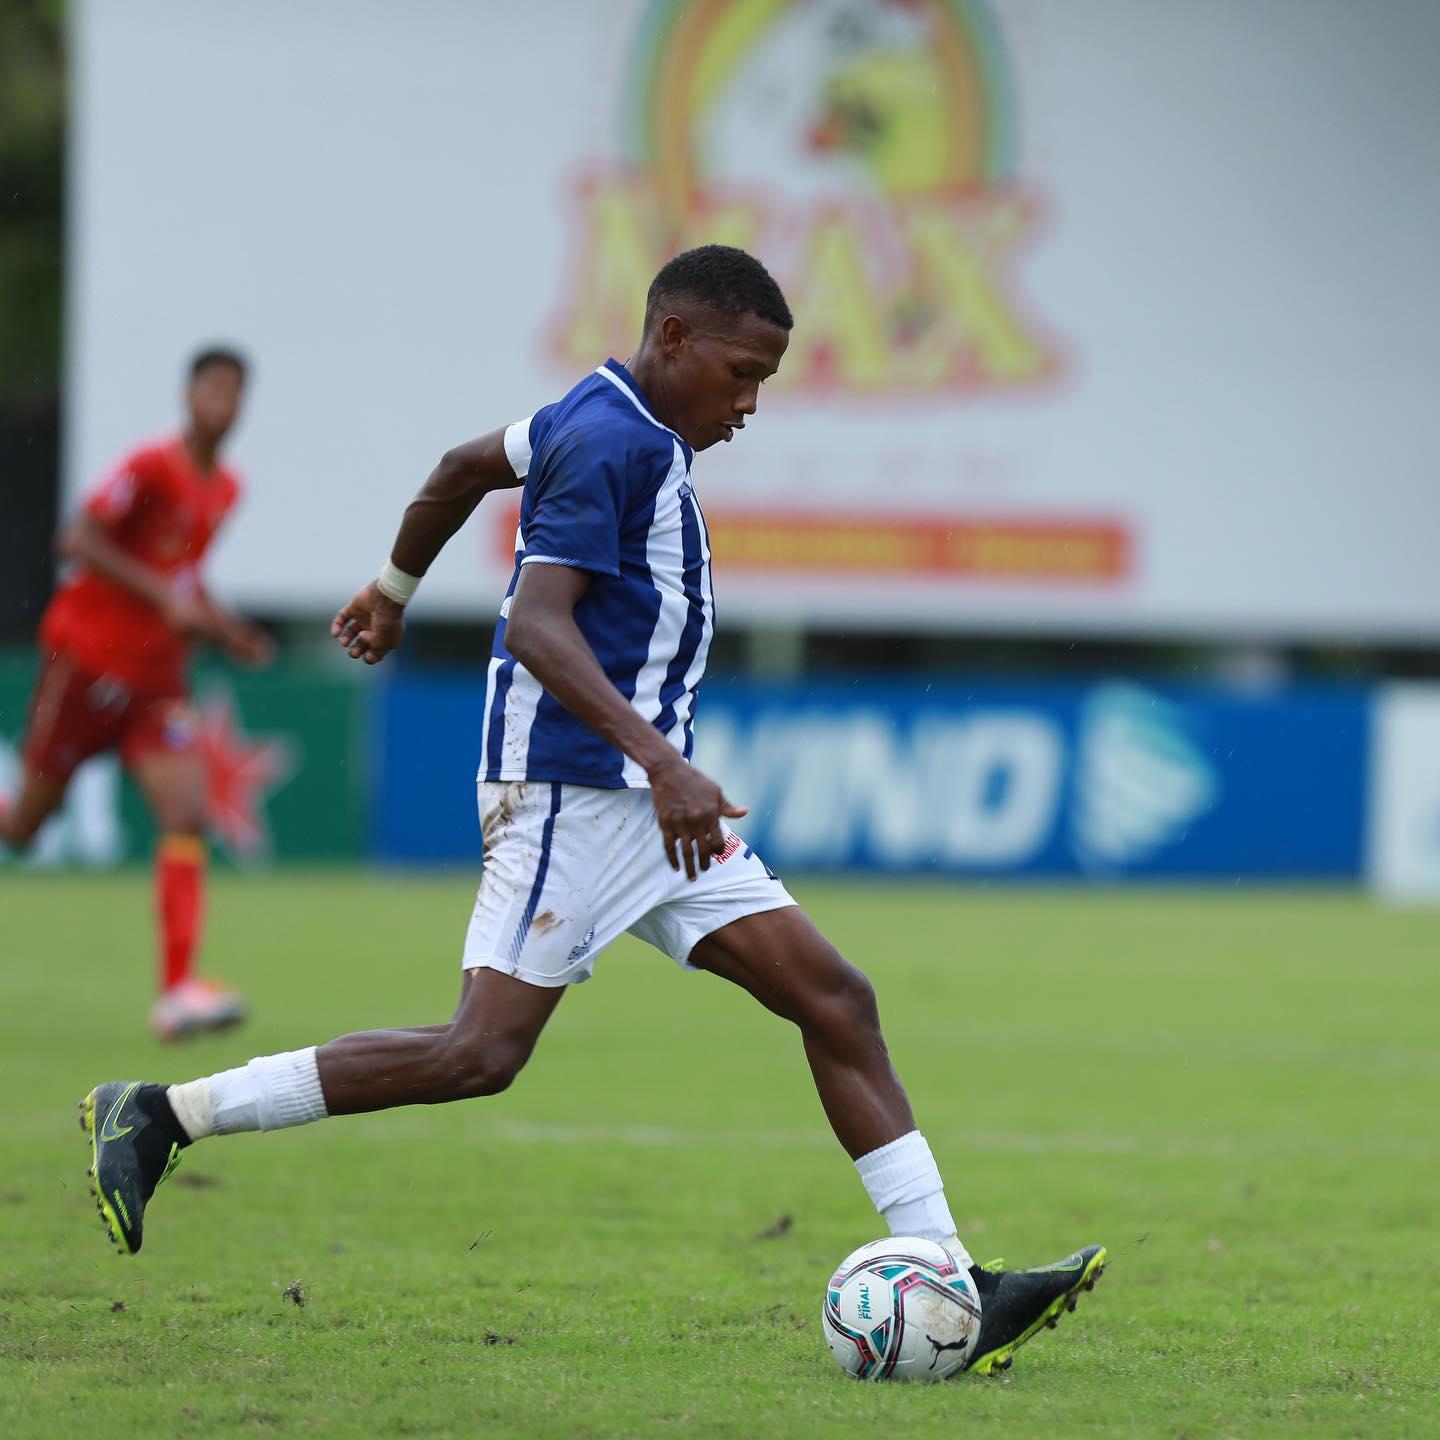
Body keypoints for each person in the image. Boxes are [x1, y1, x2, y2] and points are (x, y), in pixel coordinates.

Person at [80, 249, 1104, 1375]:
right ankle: (165, 1112)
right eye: (742, 374)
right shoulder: (614, 440)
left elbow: (461, 466)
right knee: (479, 1053)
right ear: (673, 339)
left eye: (765, 381)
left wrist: (394, 590)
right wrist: (663, 763)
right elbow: (536, 623)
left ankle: (952, 1277)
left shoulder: (601, 416)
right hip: (573, 797)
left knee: (835, 998)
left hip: (644, 809)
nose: (750, 405)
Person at [6, 347, 272, 1038]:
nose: (223, 403)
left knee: (186, 813)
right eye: (213, 389)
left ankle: (178, 991)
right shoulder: (152, 465)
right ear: (188, 396)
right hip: (87, 665)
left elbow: (184, 577)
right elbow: (78, 539)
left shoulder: (225, 488)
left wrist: (230, 632)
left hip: (156, 683)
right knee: (23, 828)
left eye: (234, 393)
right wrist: (163, 596)